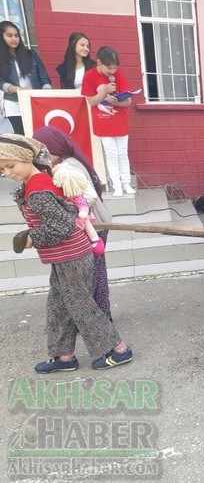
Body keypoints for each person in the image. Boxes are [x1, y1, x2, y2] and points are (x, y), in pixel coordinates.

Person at [0, 134, 131, 372]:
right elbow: (69, 210)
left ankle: (118, 350)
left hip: (71, 255)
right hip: (68, 255)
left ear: (26, 158)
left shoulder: (38, 189)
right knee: (59, 304)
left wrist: (31, 238)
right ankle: (64, 357)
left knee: (80, 305)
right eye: (2, 169)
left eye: (11, 165)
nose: (8, 173)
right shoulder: (41, 178)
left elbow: (62, 226)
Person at [33, 125, 114, 321]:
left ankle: (98, 318)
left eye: (45, 152)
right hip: (91, 224)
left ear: (56, 147)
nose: (41, 157)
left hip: (94, 225)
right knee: (93, 273)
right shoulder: (63, 163)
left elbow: (90, 197)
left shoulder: (70, 166)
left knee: (93, 274)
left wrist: (68, 209)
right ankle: (100, 317)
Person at [81, 46, 135, 197]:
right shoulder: (89, 76)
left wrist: (116, 101)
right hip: (103, 121)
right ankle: (116, 185)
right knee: (111, 154)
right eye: (109, 68)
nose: (112, 72)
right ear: (99, 62)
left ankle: (126, 183)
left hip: (120, 120)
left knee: (122, 153)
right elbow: (91, 102)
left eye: (115, 68)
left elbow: (128, 101)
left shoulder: (119, 75)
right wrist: (104, 91)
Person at [0, 21, 52, 135]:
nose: (14, 38)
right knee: (21, 136)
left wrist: (45, 94)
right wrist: (17, 89)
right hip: (13, 102)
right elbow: (1, 82)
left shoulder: (30, 54)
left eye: (16, 35)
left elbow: (44, 77)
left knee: (39, 133)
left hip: (35, 100)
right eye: (9, 35)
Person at [52, 161, 106, 255]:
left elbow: (88, 199)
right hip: (71, 220)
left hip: (79, 217)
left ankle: (95, 240)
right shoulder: (59, 191)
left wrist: (82, 211)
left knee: (86, 223)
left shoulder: (75, 194)